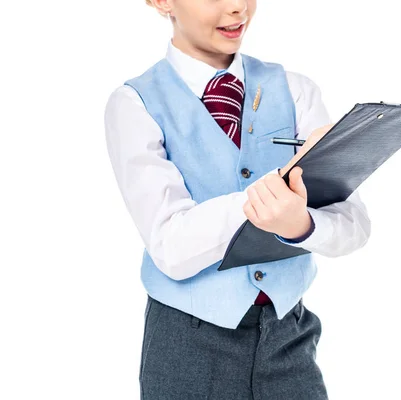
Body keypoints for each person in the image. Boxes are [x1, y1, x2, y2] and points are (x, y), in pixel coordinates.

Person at [104, 0, 371, 398]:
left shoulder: (296, 90)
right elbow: (171, 247)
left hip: (289, 334)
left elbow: (354, 226)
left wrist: (301, 225)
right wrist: (272, 192)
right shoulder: (134, 105)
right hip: (187, 342)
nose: (237, 7)